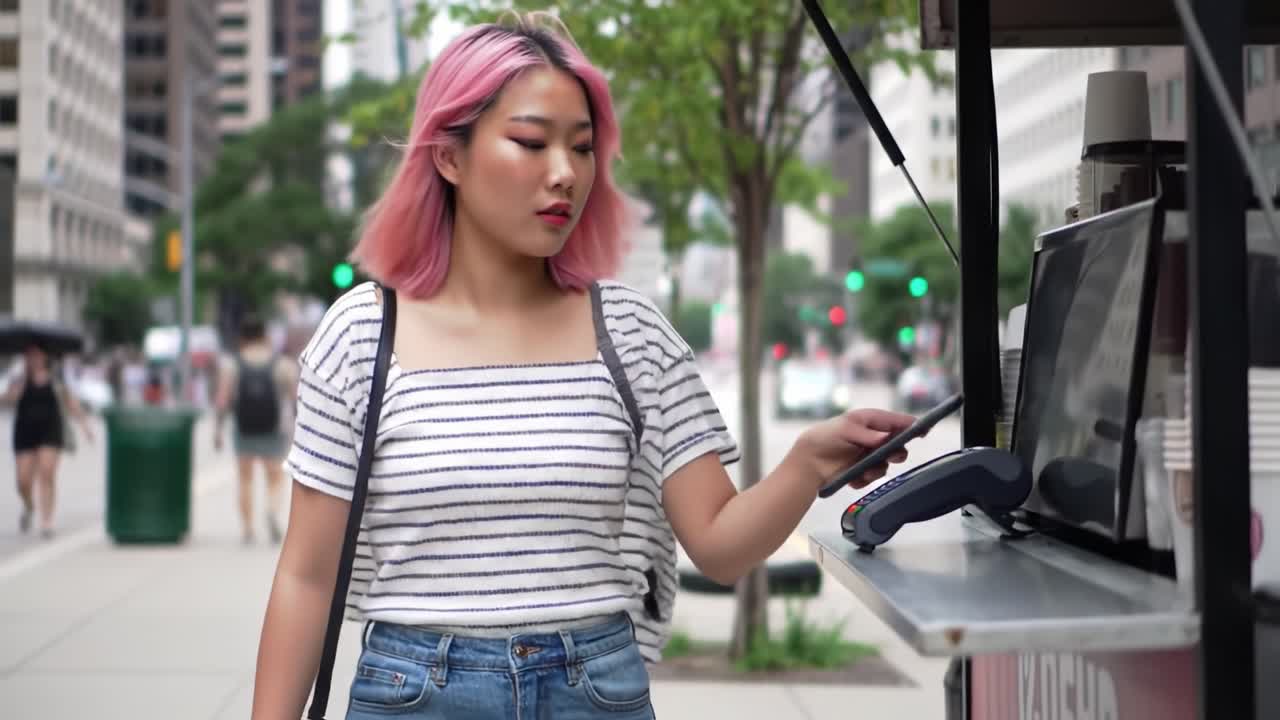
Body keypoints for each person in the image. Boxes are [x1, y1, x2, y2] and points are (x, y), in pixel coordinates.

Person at [251, 14, 916, 720]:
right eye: (531, 142)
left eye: (582, 148)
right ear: (449, 155)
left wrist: (806, 465)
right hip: (413, 694)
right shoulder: (361, 336)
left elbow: (718, 546)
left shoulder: (630, 334)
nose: (565, 173)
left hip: (593, 691)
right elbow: (306, 577)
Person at [214, 314, 298, 545]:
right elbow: (295, 398)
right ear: (265, 335)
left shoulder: (232, 364)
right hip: (272, 428)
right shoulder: (281, 364)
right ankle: (271, 509)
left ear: (242, 337)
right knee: (275, 478)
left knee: (245, 479)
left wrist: (218, 429)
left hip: (244, 428)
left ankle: (248, 528)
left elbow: (223, 399)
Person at [2, 345, 94, 539]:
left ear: (45, 357)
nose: (34, 359)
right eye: (30, 355)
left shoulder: (56, 379)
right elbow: (6, 400)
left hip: (50, 430)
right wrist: (13, 394)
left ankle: (47, 521)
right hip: (25, 431)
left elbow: (72, 402)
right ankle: (29, 506)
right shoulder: (19, 379)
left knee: (47, 473)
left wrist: (85, 426)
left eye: (37, 355)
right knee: (23, 480)